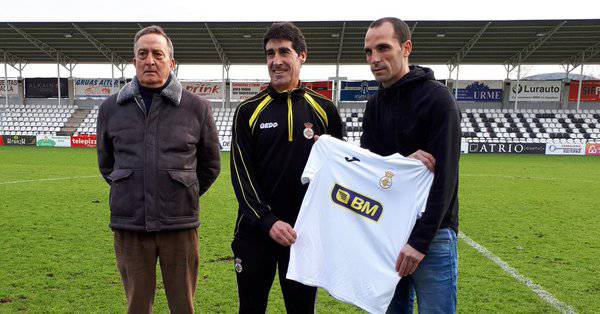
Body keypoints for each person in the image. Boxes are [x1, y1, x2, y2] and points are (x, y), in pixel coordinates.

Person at [96, 25, 220, 314]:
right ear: (134, 60)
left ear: (171, 62)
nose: (150, 60)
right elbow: (107, 164)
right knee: (137, 306)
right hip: (131, 224)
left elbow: (211, 165)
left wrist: (182, 191)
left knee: (183, 306)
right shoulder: (110, 108)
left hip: (179, 224)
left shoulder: (197, 107)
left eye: (157, 53)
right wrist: (131, 190)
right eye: (143, 53)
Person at [230, 22, 344, 313]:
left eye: (284, 51)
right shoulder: (247, 110)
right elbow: (242, 176)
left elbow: (342, 171)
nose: (276, 60)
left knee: (302, 310)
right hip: (256, 232)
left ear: (302, 56)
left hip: (303, 235)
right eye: (270, 53)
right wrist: (268, 221)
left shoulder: (325, 109)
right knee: (251, 309)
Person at [361, 17, 461, 313]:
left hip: (432, 237)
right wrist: (402, 162)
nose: (374, 59)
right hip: (387, 232)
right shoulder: (373, 106)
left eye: (383, 48)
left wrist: (419, 241)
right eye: (368, 51)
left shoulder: (438, 100)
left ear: (406, 48)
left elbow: (445, 180)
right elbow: (370, 170)